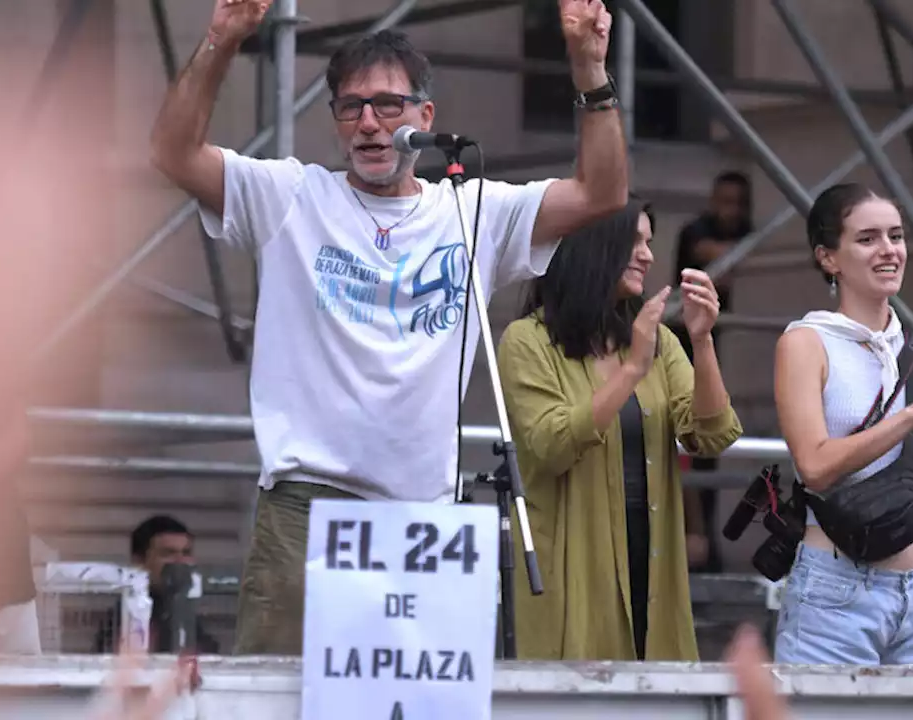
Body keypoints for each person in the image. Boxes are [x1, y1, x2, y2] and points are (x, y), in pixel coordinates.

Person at [149, 0, 627, 655]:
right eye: (352, 107)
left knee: (411, 701)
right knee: (279, 699)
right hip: (307, 510)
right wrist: (222, 40)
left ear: (425, 118)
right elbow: (173, 153)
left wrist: (588, 69)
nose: (370, 123)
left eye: (388, 105)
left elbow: (601, 193)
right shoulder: (293, 197)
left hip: (421, 520)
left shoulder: (473, 211)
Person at [498, 198, 742, 661]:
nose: (648, 255)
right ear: (593, 247)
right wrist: (631, 370)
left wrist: (703, 340)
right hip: (574, 566)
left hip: (651, 560)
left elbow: (710, 434)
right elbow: (551, 444)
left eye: (649, 242)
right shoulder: (527, 341)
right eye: (635, 242)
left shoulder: (659, 340)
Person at [772, 183, 913, 666]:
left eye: (897, 235)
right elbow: (816, 466)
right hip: (834, 589)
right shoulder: (806, 342)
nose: (889, 250)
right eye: (867, 239)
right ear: (829, 258)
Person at [671, 170, 752, 573]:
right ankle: (691, 545)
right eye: (723, 200)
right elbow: (707, 251)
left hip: (706, 344)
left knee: (708, 450)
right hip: (679, 341)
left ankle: (703, 549)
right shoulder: (697, 230)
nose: (729, 210)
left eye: (737, 202)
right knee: (686, 447)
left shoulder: (742, 230)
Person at [127, 515, 220, 654]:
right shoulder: (128, 614)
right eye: (168, 553)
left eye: (186, 553)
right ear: (139, 561)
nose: (180, 561)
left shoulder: (189, 608)